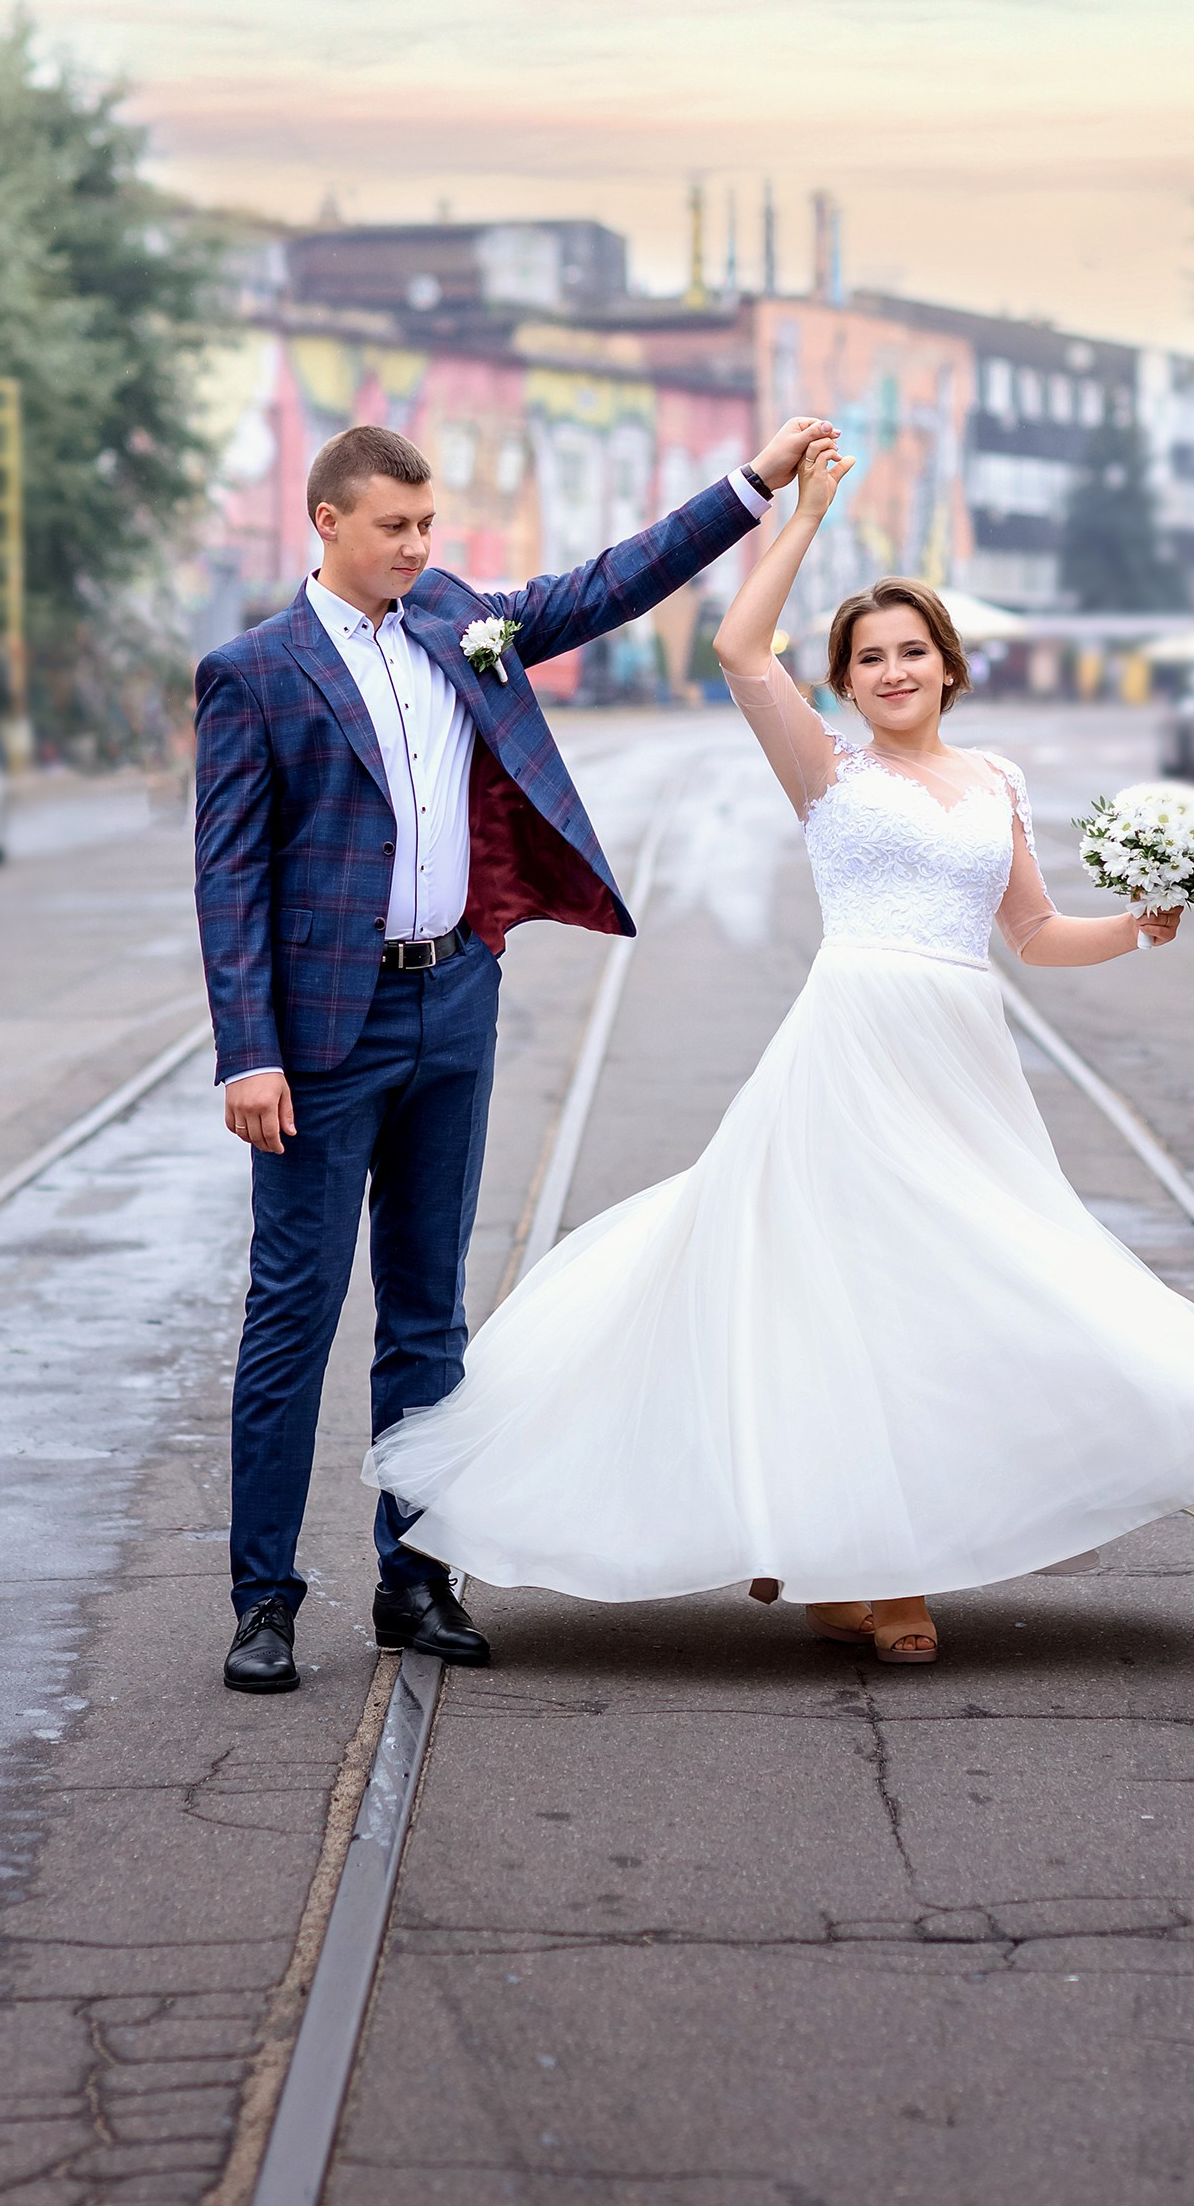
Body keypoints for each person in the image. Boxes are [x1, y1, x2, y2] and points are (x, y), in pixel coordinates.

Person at [370, 434, 1194, 1665]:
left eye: (909, 652)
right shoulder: (825, 768)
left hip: (959, 1058)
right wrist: (804, 515)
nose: (890, 671)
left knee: (969, 1284)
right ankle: (876, 1573)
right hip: (850, 1045)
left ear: (947, 666)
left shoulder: (995, 782)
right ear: (845, 681)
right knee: (854, 1292)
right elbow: (736, 648)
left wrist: (1138, 928)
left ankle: (842, 1555)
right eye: (867, 658)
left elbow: (1033, 934)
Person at [195, 412, 836, 1693]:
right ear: (325, 522)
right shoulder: (253, 672)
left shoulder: (457, 620)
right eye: (393, 527)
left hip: (452, 1003)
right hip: (319, 1039)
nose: (415, 546)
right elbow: (229, 877)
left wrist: (752, 484)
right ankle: (263, 1599)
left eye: (427, 525)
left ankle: (415, 1574)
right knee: (295, 1313)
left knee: (427, 1311)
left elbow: (610, 583)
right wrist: (246, 1052)